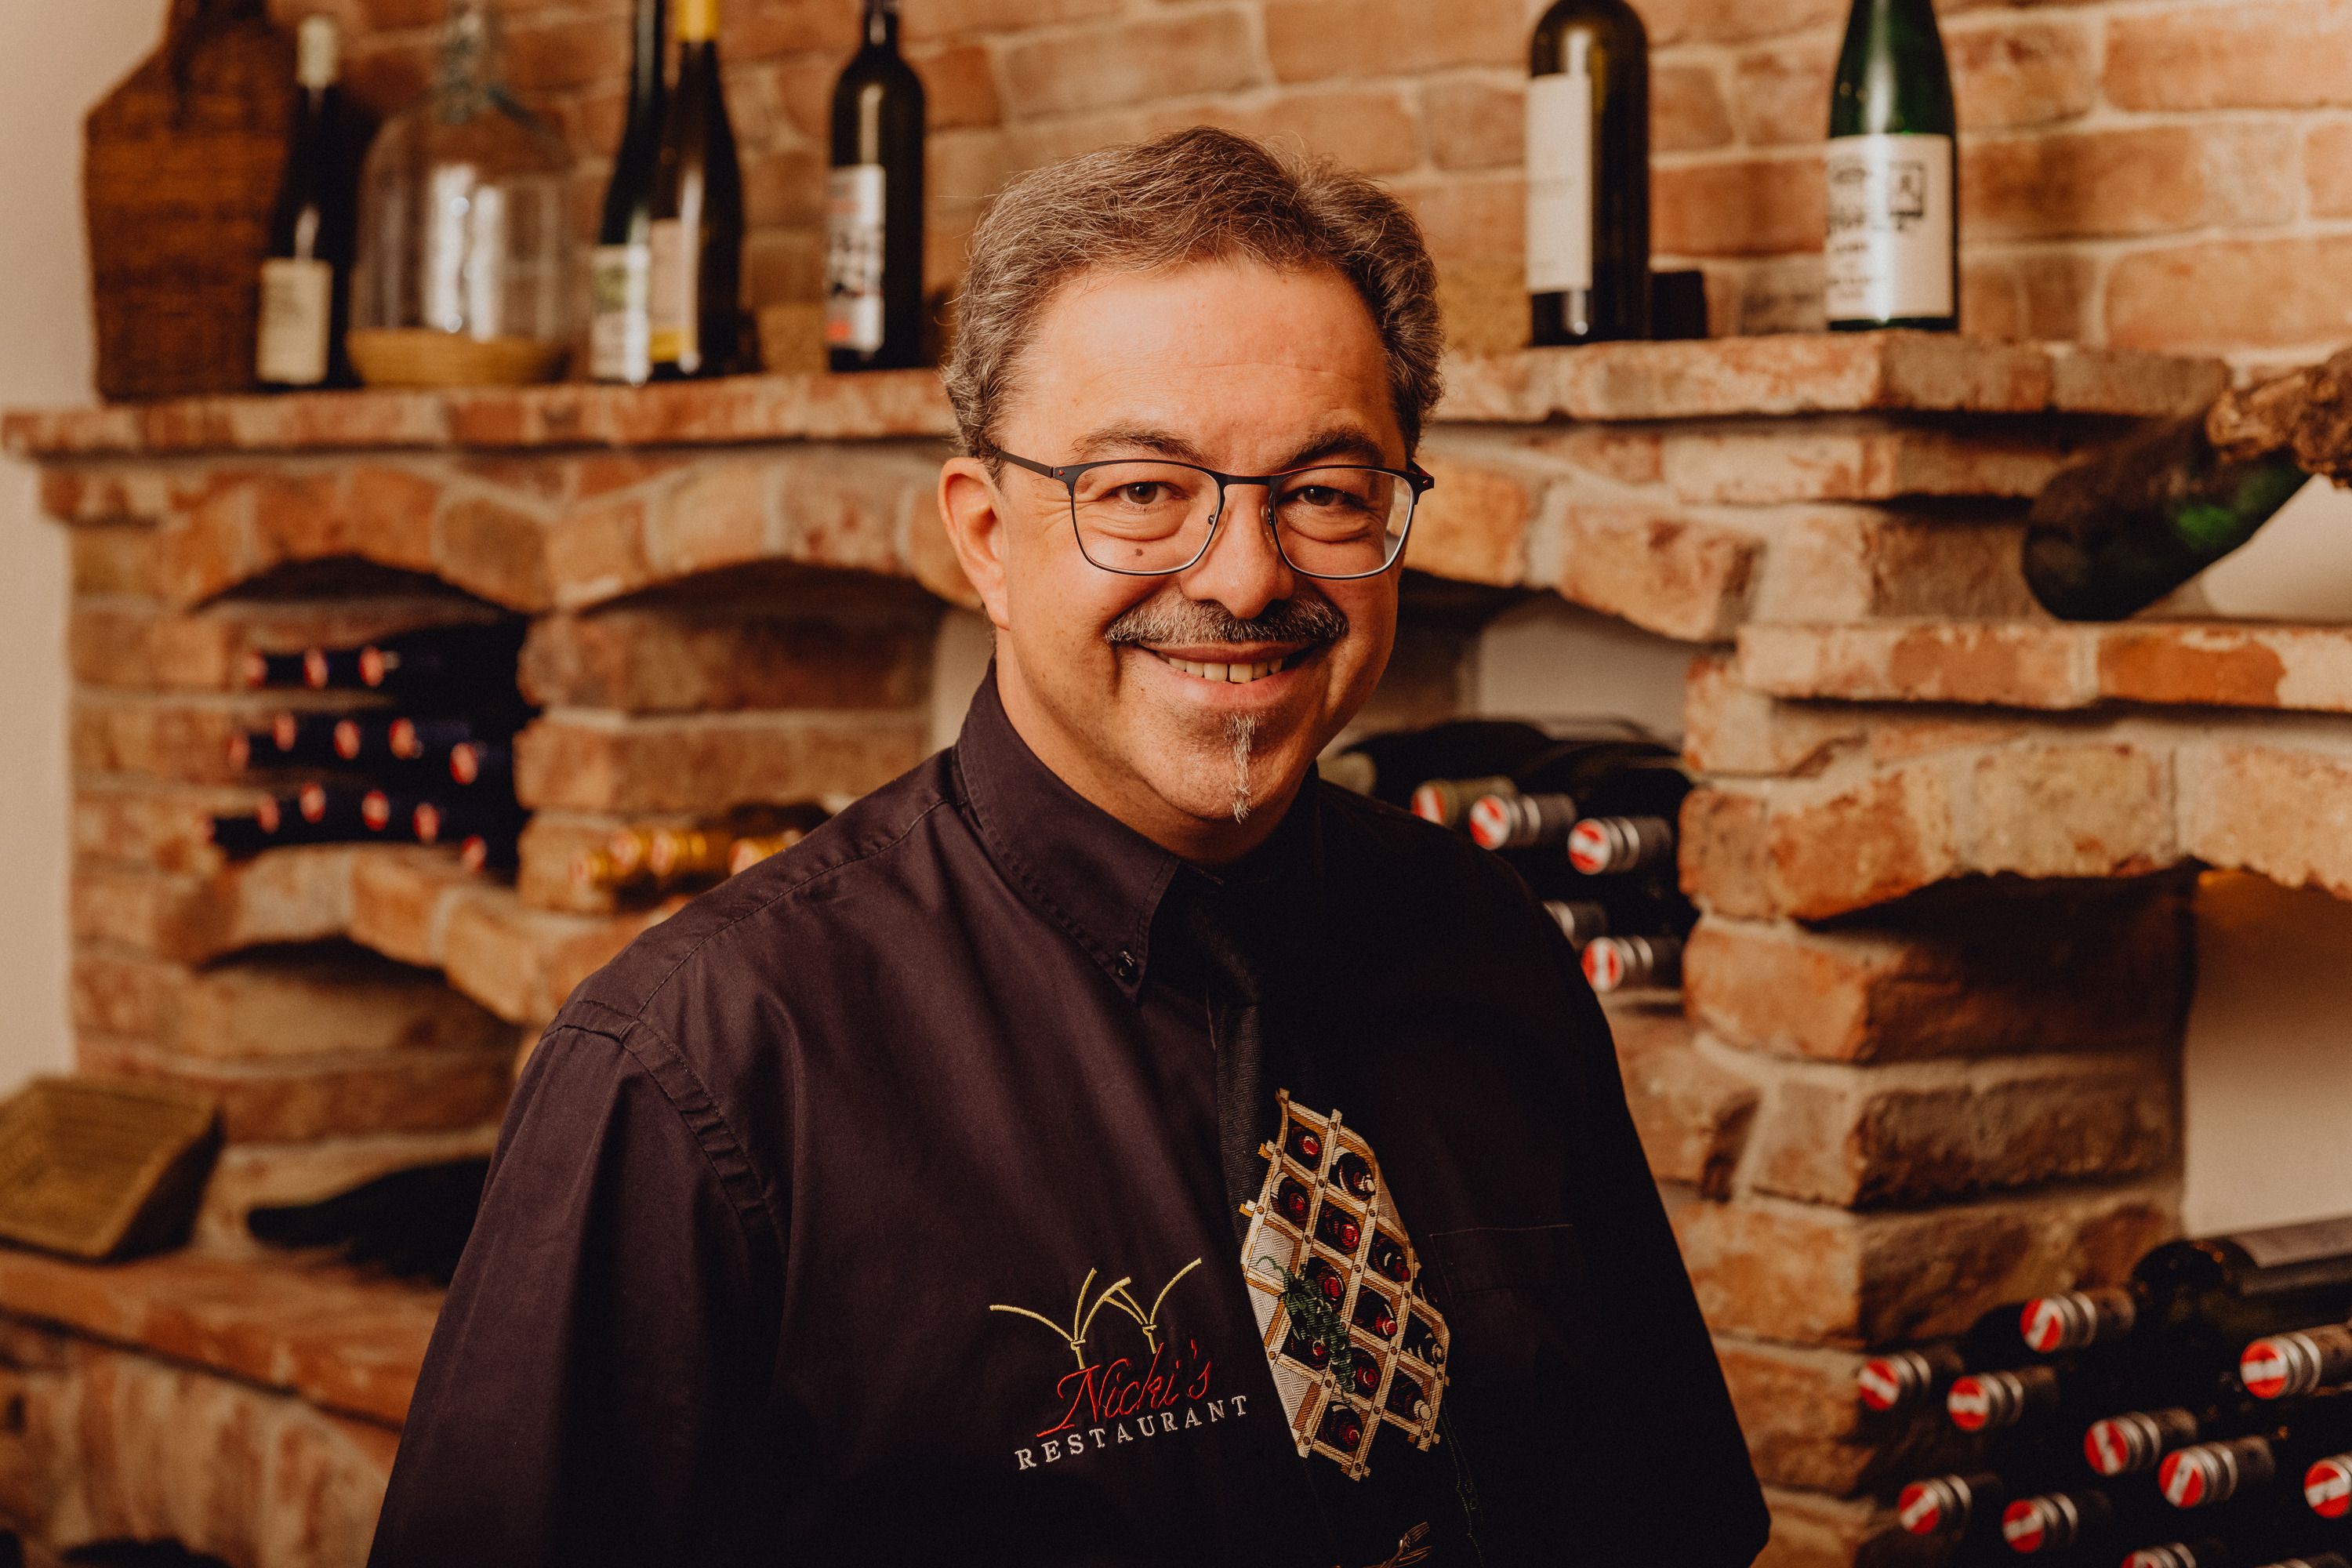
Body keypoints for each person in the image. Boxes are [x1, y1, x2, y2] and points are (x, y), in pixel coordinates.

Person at [366, 127, 1767, 1568]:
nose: (1245, 574)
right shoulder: (706, 1063)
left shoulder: (1489, 948)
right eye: (1142, 491)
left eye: (1327, 493)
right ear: (985, 534)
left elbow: (1666, 1519)